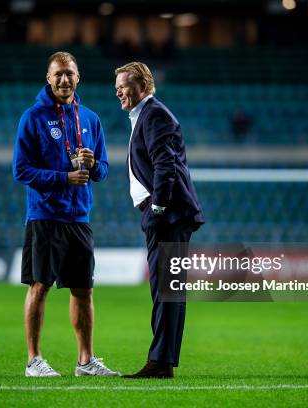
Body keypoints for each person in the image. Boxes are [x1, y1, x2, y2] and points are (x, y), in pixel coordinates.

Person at [13, 51, 118, 377]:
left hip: (78, 217)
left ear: (78, 77)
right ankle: (34, 361)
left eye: (69, 73)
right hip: (44, 215)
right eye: (57, 74)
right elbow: (21, 170)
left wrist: (90, 164)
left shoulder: (90, 118)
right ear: (48, 78)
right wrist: (63, 178)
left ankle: (85, 361)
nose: (63, 79)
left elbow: (103, 169)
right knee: (40, 286)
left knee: (83, 290)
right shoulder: (32, 118)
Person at [115, 62, 204, 378]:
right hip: (167, 214)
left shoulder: (155, 115)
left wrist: (158, 209)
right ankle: (162, 360)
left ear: (142, 85)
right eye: (117, 88)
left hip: (167, 215)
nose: (119, 92)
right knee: (169, 289)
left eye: (123, 86)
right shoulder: (147, 116)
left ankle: (160, 362)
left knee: (166, 288)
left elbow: (165, 166)